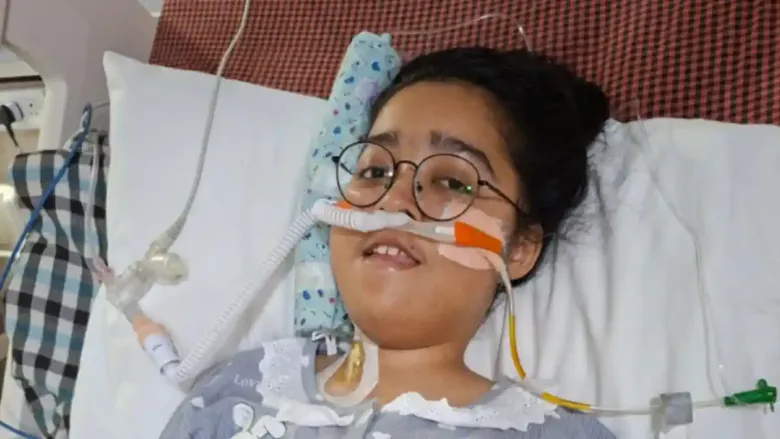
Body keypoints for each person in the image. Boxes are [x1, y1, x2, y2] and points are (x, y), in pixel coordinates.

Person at [160, 47, 615, 439]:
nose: (393, 201)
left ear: (518, 248)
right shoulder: (236, 389)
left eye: (453, 182)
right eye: (375, 171)